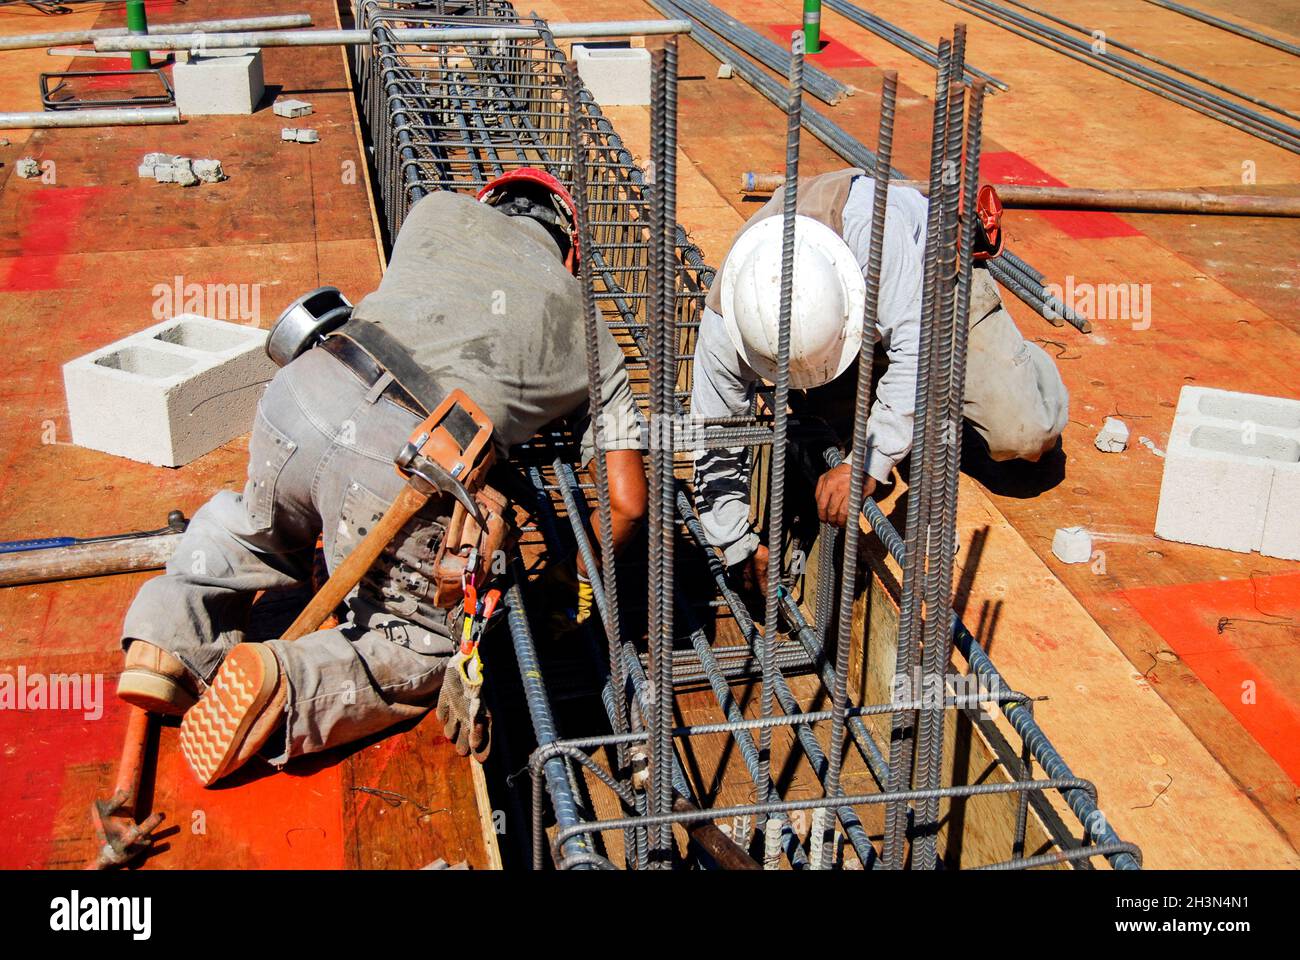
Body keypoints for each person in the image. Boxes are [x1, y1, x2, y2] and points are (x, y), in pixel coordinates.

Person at [116, 169, 647, 785]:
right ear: (572, 252)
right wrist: (567, 585)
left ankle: (167, 639)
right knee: (418, 642)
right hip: (406, 457)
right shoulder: (592, 330)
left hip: (308, 388)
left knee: (253, 528)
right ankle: (289, 688)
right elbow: (627, 504)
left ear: (490, 201)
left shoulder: (436, 209)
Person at [691, 167, 1068, 590]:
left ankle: (1019, 362)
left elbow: (915, 349)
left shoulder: (874, 235)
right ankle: (869, 386)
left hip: (934, 285)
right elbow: (716, 434)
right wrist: (736, 541)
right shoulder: (731, 316)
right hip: (862, 334)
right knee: (830, 437)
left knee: (1023, 437)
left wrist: (867, 464)